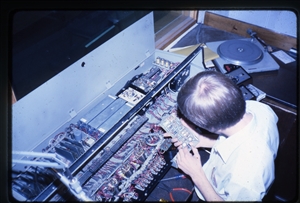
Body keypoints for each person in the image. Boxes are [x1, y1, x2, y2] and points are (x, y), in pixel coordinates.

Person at [165, 71, 279, 201]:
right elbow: (237, 138)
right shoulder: (259, 108)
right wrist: (203, 140)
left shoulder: (245, 178)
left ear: (209, 127)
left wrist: (196, 174)